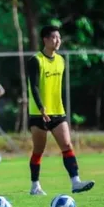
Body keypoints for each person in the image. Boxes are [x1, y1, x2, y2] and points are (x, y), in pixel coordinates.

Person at [27, 25, 95, 196]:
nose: (58, 41)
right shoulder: (35, 60)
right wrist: (41, 107)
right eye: (54, 38)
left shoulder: (61, 61)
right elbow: (34, 86)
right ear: (45, 39)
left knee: (67, 145)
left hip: (58, 112)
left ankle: (76, 182)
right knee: (38, 150)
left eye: (59, 38)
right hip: (38, 114)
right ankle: (35, 186)